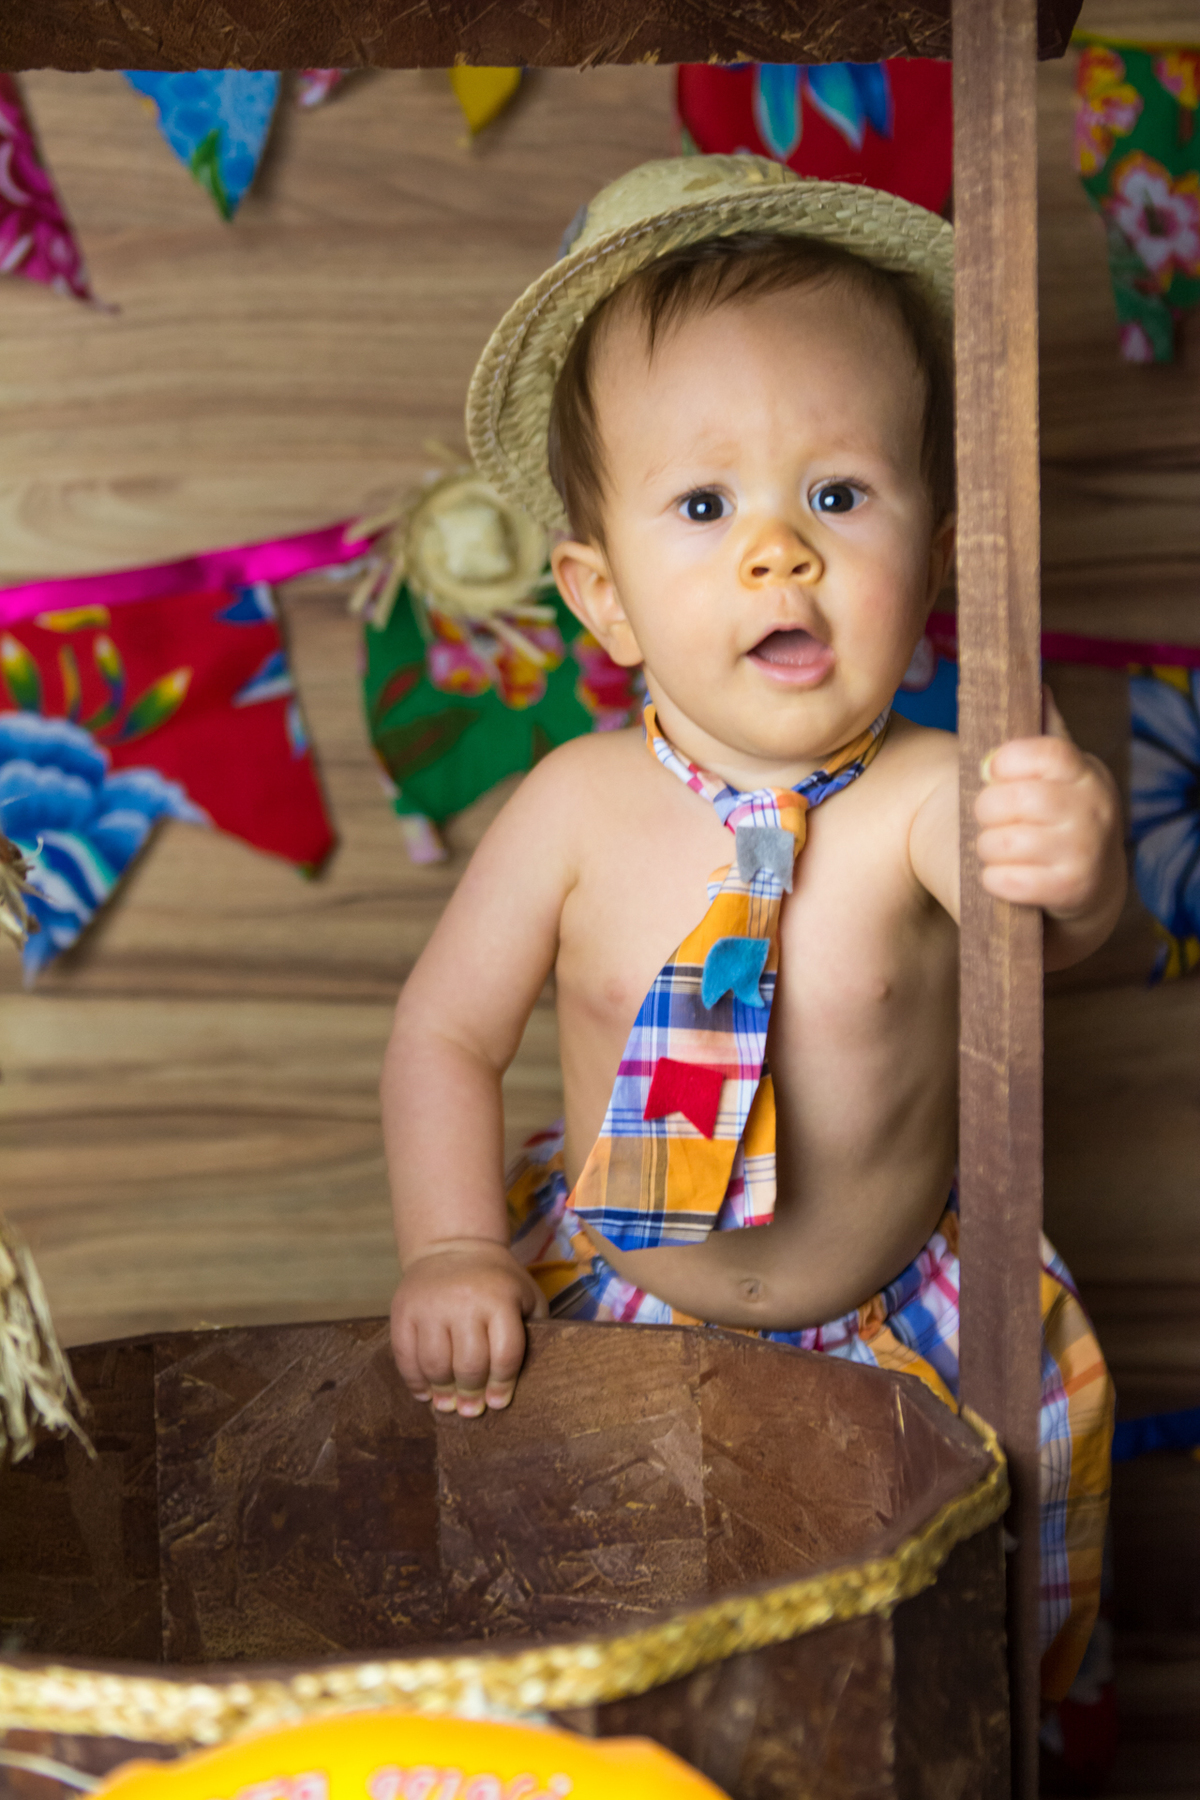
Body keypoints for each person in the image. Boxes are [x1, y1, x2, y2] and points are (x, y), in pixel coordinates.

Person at [381, 157, 1121, 1698]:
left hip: (896, 1327)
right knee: (584, 1624)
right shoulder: (575, 807)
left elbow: (1034, 940)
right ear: (605, 600)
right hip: (614, 1301)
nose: (778, 550)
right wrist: (454, 1246)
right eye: (706, 504)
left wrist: (1072, 855)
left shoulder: (928, 791)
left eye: (838, 495)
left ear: (932, 557)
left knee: (912, 1650)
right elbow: (446, 1033)